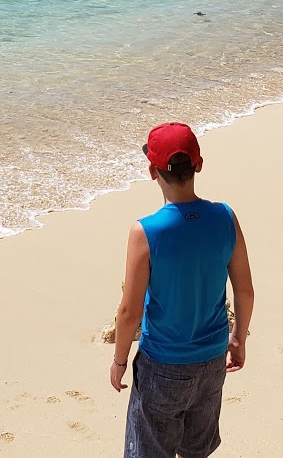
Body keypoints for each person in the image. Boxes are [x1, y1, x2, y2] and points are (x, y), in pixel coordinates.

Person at [111, 122, 255, 458]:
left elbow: (129, 312)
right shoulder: (225, 216)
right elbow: (245, 290)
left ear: (151, 171)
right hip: (211, 359)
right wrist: (238, 339)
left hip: (163, 364)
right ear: (199, 164)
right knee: (196, 451)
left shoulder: (145, 232)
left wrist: (119, 362)